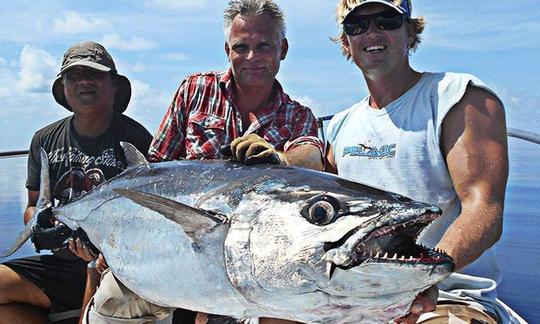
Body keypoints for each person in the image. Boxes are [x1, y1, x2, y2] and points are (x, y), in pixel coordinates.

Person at [84, 1, 324, 323]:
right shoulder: (194, 90)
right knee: (113, 302)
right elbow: (153, 169)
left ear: (282, 48)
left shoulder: (298, 116)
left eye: (263, 45)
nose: (252, 57)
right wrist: (121, 237)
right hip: (172, 249)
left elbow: (310, 155)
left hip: (252, 263)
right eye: (241, 47)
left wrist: (280, 158)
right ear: (228, 50)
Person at [326, 0, 524, 323]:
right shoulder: (339, 127)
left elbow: (484, 209)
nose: (371, 32)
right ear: (346, 41)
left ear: (409, 29)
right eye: (357, 25)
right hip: (360, 303)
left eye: (386, 20)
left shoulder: (457, 97)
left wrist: (425, 278)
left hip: (447, 297)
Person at [0, 41, 152, 324]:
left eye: (94, 74)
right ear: (64, 88)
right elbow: (33, 207)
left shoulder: (137, 139)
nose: (84, 81)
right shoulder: (43, 140)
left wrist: (99, 251)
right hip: (61, 263)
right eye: (74, 75)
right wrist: (43, 224)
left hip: (119, 267)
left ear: (113, 85)